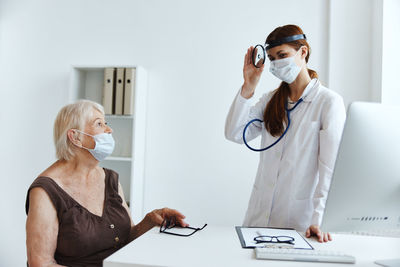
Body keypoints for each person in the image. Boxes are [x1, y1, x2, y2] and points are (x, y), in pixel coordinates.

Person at [26, 100, 188, 267]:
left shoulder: (110, 179)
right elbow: (41, 263)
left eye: (106, 123)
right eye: (99, 124)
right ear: (75, 137)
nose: (109, 130)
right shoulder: (45, 191)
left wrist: (150, 221)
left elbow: (124, 238)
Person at [225, 24, 346, 242]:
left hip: (299, 223)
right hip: (258, 221)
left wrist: (320, 219)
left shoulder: (328, 102)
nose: (277, 63)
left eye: (282, 55)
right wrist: (248, 85)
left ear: (303, 52)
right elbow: (234, 133)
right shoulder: (271, 100)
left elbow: (330, 170)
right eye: (272, 58)